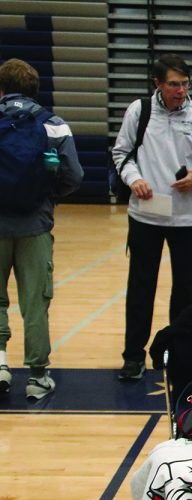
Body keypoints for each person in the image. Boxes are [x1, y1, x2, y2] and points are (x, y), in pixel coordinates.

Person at [112, 53, 192, 381]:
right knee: (140, 288)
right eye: (173, 84)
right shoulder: (139, 111)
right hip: (146, 214)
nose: (180, 90)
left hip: (189, 218)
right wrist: (135, 179)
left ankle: (180, 354)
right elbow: (121, 153)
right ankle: (133, 356)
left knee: (187, 293)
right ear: (157, 84)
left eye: (184, 84)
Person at [0, 58, 83, 399]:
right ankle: (36, 376)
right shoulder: (54, 125)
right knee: (35, 301)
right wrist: (48, 197)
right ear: (36, 89)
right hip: (35, 223)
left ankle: (0, 363)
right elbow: (74, 176)